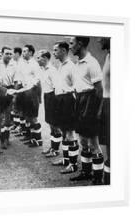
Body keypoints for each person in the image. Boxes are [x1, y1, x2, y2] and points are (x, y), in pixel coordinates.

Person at [69, 36, 104, 184]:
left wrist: (98, 111)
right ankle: (86, 171)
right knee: (82, 140)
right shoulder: (77, 63)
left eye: (72, 43)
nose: (70, 47)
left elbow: (99, 90)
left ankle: (97, 177)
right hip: (80, 101)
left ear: (80, 44)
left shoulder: (92, 63)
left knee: (93, 142)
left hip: (90, 102)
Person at [50, 42, 79, 174]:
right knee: (64, 132)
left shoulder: (71, 66)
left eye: (55, 50)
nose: (53, 52)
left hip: (68, 101)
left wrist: (69, 95)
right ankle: (66, 159)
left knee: (70, 134)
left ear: (63, 50)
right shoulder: (60, 66)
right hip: (60, 100)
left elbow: (77, 86)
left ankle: (73, 164)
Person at [14, 45, 43, 148]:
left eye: (25, 51)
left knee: (33, 117)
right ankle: (30, 137)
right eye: (23, 51)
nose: (23, 53)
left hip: (32, 92)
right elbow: (20, 78)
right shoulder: (22, 64)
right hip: (25, 92)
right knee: (27, 116)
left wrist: (38, 96)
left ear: (31, 53)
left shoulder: (35, 64)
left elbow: (38, 80)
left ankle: (38, 139)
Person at [36, 50, 63, 156]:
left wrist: (56, 103)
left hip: (53, 97)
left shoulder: (52, 70)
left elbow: (57, 87)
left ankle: (55, 150)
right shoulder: (42, 70)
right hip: (47, 96)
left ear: (45, 58)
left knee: (55, 124)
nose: (37, 60)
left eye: (39, 58)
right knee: (50, 124)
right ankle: (53, 148)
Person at [0, 46, 17, 149]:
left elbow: (16, 80)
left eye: (10, 54)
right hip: (0, 90)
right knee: (1, 117)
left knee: (8, 116)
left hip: (10, 90)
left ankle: (7, 138)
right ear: (2, 53)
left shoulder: (14, 65)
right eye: (7, 53)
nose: (9, 56)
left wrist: (14, 93)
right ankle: (2, 139)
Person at [98, 37, 110, 184]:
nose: (98, 40)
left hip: (114, 102)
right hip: (106, 102)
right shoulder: (108, 55)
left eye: (102, 38)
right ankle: (107, 180)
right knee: (107, 143)